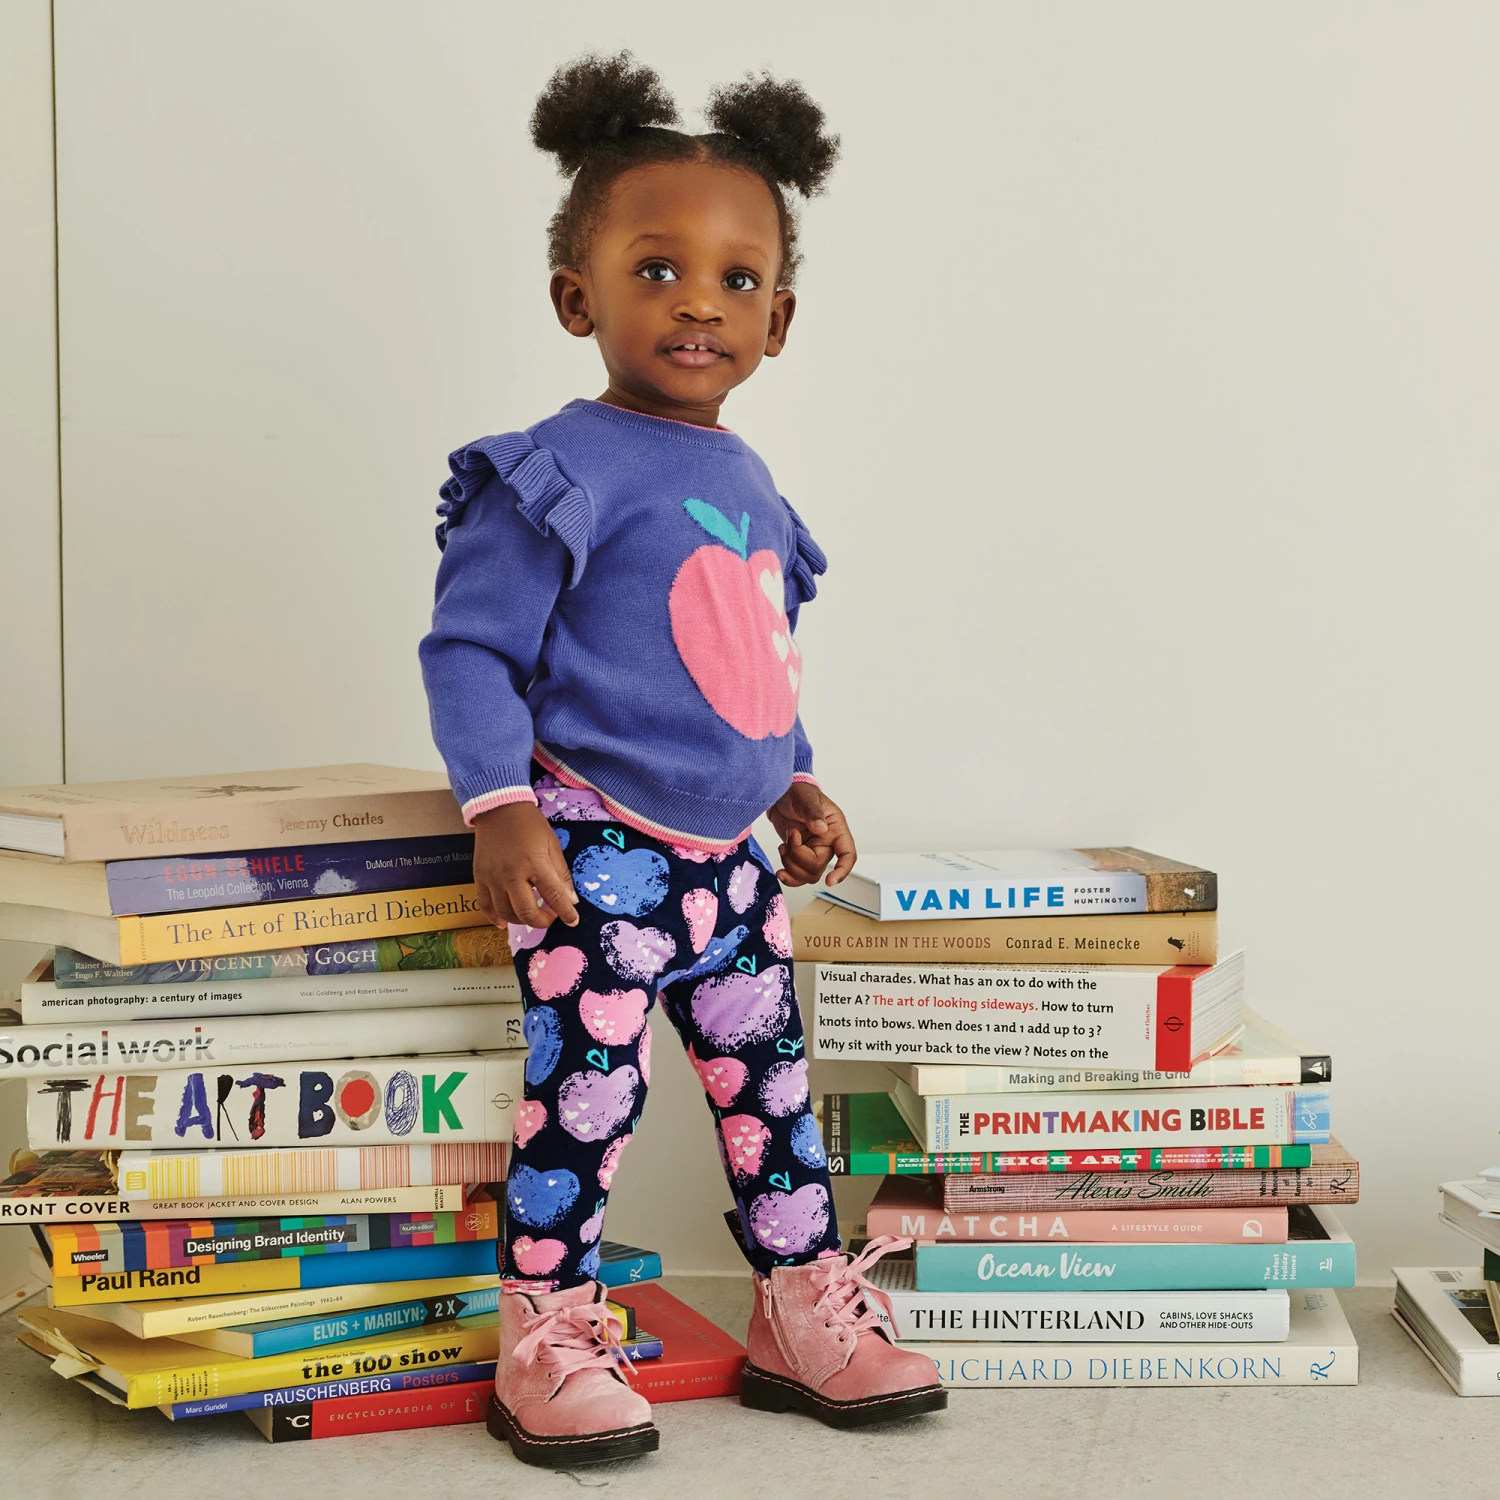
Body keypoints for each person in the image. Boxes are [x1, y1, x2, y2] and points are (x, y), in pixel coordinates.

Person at [420, 51, 944, 1467]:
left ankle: (800, 1309)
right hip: (596, 855)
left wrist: (793, 778)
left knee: (774, 1099)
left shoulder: (749, 480)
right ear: (575, 296)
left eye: (734, 277)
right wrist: (500, 807)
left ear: (779, 317)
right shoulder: (557, 470)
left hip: (731, 876)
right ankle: (547, 1335)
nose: (698, 301)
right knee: (584, 1103)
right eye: (656, 270)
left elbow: (745, 657)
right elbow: (468, 651)